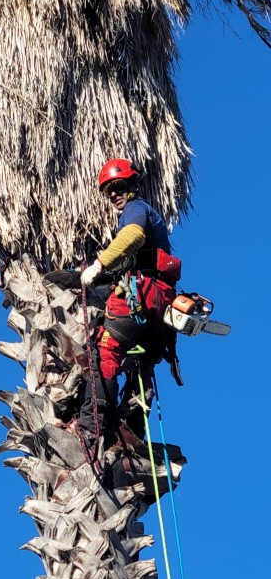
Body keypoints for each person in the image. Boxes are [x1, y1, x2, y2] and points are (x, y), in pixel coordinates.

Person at [78, 157, 181, 447]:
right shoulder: (149, 217)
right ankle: (132, 435)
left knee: (105, 355)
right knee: (141, 367)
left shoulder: (136, 210)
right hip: (160, 310)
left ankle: (91, 429)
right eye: (107, 191)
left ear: (133, 184)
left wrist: (98, 265)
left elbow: (133, 236)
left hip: (141, 297)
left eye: (119, 186)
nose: (113, 194)